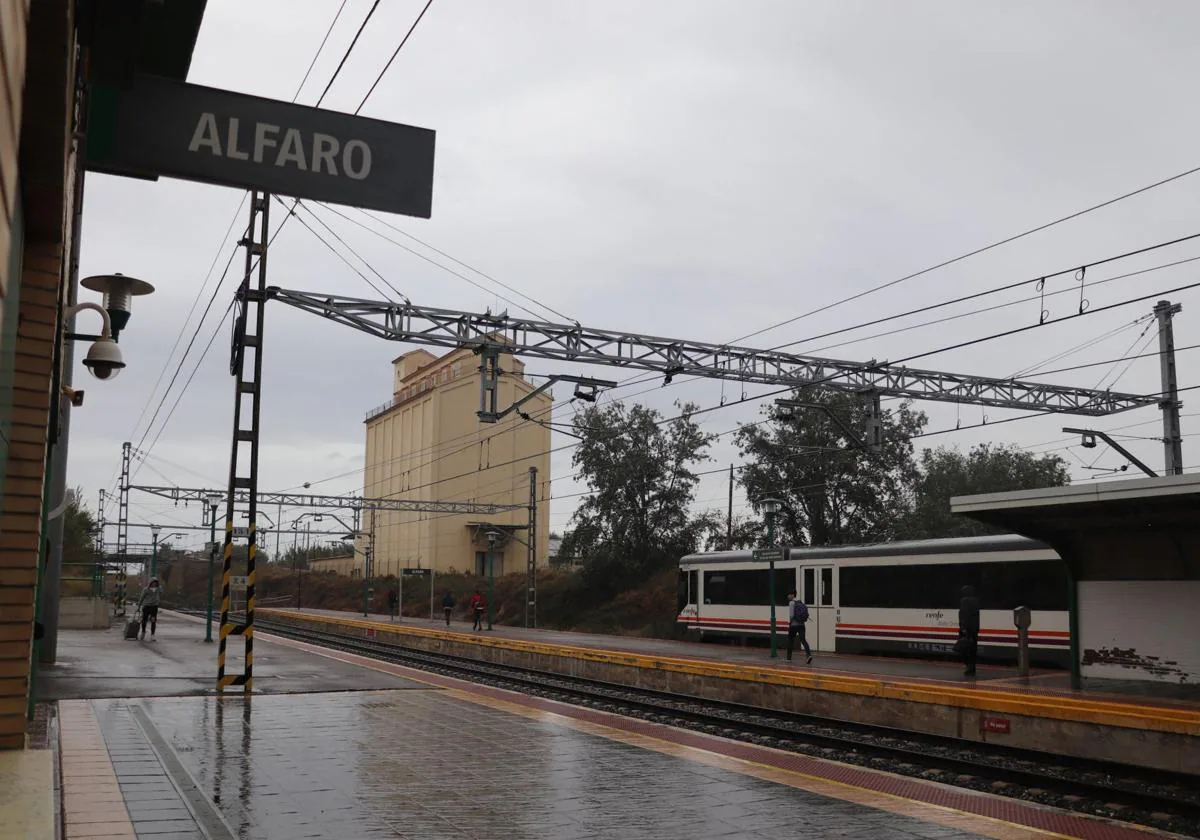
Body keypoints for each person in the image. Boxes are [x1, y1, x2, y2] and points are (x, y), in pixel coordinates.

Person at [958, 584, 980, 677]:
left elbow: (964, 615)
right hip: (974, 629)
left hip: (966, 629)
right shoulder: (976, 601)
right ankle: (972, 667)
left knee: (964, 649)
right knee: (972, 649)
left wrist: (963, 628)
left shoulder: (964, 601)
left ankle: (968, 667)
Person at [785, 590, 812, 664]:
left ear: (793, 595)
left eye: (789, 594)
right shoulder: (800, 602)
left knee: (790, 640)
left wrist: (790, 623)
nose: (788, 596)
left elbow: (791, 616)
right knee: (803, 640)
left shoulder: (791, 603)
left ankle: (788, 658)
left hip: (794, 625)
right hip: (802, 625)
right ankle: (808, 655)